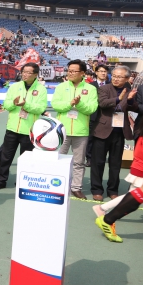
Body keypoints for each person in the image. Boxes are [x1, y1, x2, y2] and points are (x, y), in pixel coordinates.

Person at [0, 63, 47, 190]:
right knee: (6, 157)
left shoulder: (41, 89)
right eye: (23, 72)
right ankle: (1, 181)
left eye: (28, 72)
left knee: (26, 159)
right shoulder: (14, 86)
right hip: (12, 127)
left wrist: (25, 105)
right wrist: (14, 103)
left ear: (35, 75)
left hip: (29, 130)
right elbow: (6, 105)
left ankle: (23, 181)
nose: (25, 74)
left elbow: (40, 108)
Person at [52, 59, 98, 199]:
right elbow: (55, 104)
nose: (70, 73)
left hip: (81, 131)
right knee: (58, 159)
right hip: (62, 131)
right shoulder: (61, 87)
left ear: (82, 73)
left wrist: (79, 105)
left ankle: (76, 188)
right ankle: (57, 185)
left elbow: (91, 109)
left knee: (79, 162)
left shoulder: (91, 89)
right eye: (69, 70)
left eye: (74, 71)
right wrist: (70, 103)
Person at [90, 66, 136, 201]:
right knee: (97, 163)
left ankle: (113, 190)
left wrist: (129, 100)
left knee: (115, 164)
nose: (115, 78)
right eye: (114, 76)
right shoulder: (104, 88)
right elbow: (103, 103)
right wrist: (117, 99)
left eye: (119, 77)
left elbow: (134, 108)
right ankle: (97, 189)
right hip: (102, 131)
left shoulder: (131, 91)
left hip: (120, 132)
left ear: (127, 78)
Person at [86, 64, 110, 166]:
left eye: (105, 71)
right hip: (93, 116)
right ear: (96, 73)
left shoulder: (110, 85)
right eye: (101, 71)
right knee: (90, 138)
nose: (103, 73)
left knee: (105, 138)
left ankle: (102, 157)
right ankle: (89, 158)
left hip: (107, 116)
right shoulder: (91, 86)